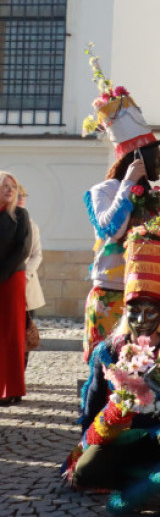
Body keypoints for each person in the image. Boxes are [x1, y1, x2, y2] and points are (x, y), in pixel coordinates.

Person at [70, 224, 160, 490]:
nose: (141, 319)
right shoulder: (107, 352)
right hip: (117, 438)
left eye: (150, 312)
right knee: (85, 471)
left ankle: (149, 479)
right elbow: (92, 404)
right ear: (125, 312)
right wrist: (92, 437)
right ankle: (137, 480)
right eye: (134, 311)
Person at [81, 50, 160, 360]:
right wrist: (127, 186)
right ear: (136, 158)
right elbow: (110, 229)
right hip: (109, 293)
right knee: (107, 367)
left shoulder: (159, 197)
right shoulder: (103, 191)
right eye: (155, 155)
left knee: (146, 367)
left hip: (146, 295)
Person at [0, 171, 32, 406]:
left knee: (12, 335)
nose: (9, 190)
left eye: (12, 186)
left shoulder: (20, 215)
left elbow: (23, 248)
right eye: (4, 186)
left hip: (11, 280)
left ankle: (13, 389)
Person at [18, 186, 43, 370]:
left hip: (26, 283)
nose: (20, 199)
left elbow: (37, 254)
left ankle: (21, 372)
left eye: (22, 195)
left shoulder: (31, 224)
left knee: (26, 332)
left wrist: (25, 274)